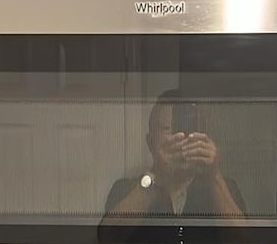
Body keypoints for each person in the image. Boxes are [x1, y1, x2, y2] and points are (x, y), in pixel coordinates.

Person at [101, 91, 247, 225]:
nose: (178, 137)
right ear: (150, 142)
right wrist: (157, 175)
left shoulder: (222, 187)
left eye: (184, 128)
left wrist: (213, 175)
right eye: (166, 129)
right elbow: (108, 238)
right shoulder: (125, 188)